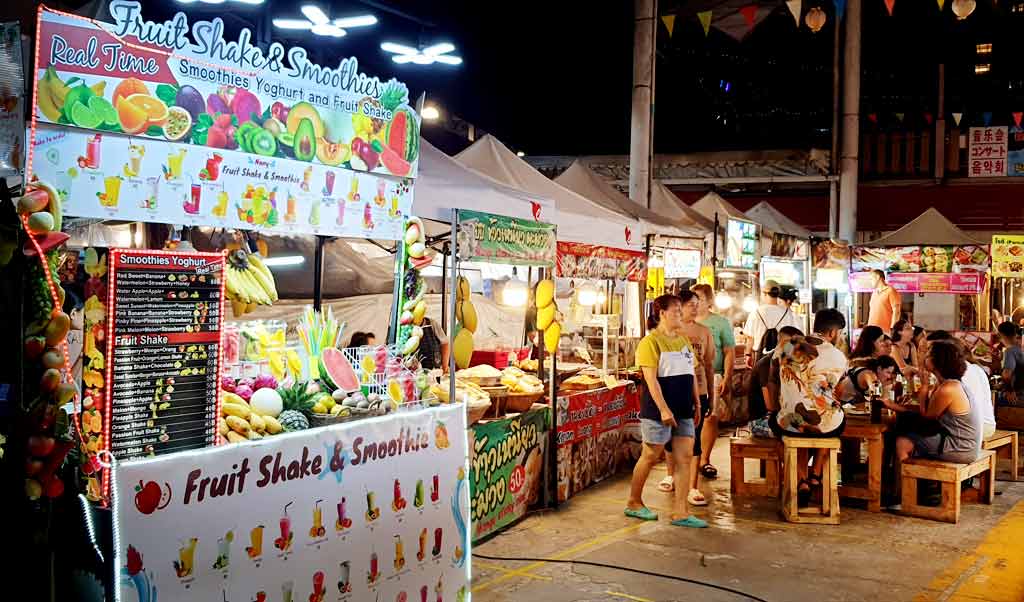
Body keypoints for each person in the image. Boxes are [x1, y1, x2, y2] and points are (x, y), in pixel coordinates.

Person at [625, 294, 707, 528]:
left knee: (684, 458)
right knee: (650, 455)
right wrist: (663, 409)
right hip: (658, 411)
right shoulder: (650, 342)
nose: (681, 315)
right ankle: (634, 502)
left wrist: (697, 403)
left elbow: (691, 373)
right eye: (676, 311)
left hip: (684, 409)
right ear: (661, 313)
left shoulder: (683, 341)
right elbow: (651, 381)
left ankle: (680, 512)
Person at [773, 308, 848, 503]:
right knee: (833, 418)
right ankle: (815, 474)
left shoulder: (787, 345)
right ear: (832, 333)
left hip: (790, 421)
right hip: (825, 423)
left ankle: (801, 479)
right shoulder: (838, 356)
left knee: (780, 423)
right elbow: (833, 389)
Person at [656, 291, 713, 507]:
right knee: (668, 442)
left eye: (697, 304)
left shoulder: (703, 332)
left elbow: (706, 365)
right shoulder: (667, 335)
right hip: (673, 394)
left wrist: (709, 398)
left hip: (698, 391)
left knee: (693, 440)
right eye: (690, 305)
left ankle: (692, 487)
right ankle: (670, 476)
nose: (694, 309)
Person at [890, 340, 983, 464]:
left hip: (961, 449)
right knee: (906, 425)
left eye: (928, 355)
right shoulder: (947, 383)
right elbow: (927, 408)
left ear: (938, 361)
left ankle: (909, 479)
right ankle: (917, 478)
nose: (924, 358)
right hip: (959, 442)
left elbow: (927, 416)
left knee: (902, 442)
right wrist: (895, 406)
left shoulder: (948, 388)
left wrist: (924, 387)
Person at [692, 283, 735, 481]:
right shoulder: (685, 322)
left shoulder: (720, 323)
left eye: (699, 298)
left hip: (713, 375)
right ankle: (688, 459)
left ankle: (704, 459)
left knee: (710, 417)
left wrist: (727, 376)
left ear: (709, 301)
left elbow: (729, 352)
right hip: (688, 376)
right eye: (692, 298)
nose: (695, 303)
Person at [924, 331, 995, 439]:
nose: (926, 355)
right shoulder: (968, 367)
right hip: (984, 424)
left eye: (931, 351)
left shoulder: (956, 373)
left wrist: (924, 390)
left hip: (975, 428)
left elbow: (931, 415)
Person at [747, 325, 802, 438]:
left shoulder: (789, 363)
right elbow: (770, 406)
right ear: (782, 343)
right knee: (799, 432)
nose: (798, 348)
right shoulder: (766, 364)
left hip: (780, 416)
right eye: (793, 344)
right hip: (760, 421)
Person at [743, 279, 801, 361]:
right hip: (781, 357)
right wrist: (788, 358)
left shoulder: (755, 313)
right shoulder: (788, 313)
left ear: (764, 293)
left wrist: (748, 355)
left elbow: (750, 339)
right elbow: (791, 337)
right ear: (778, 294)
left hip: (760, 357)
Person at [997, 321, 1024, 406]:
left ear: (1002, 335)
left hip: (1019, 396)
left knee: (990, 400)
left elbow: (1006, 375)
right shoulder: (1020, 348)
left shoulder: (1010, 351)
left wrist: (1009, 390)